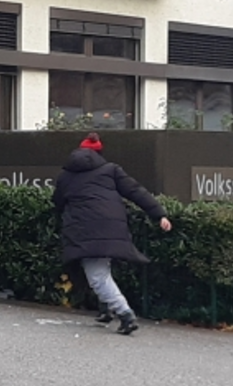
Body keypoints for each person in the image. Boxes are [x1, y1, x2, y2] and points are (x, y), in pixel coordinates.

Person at [53, 134, 172, 335]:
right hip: (112, 226)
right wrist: (159, 214)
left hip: (83, 229)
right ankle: (105, 308)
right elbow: (135, 191)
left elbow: (57, 202)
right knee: (100, 268)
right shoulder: (110, 170)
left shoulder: (66, 176)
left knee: (97, 274)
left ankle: (125, 314)